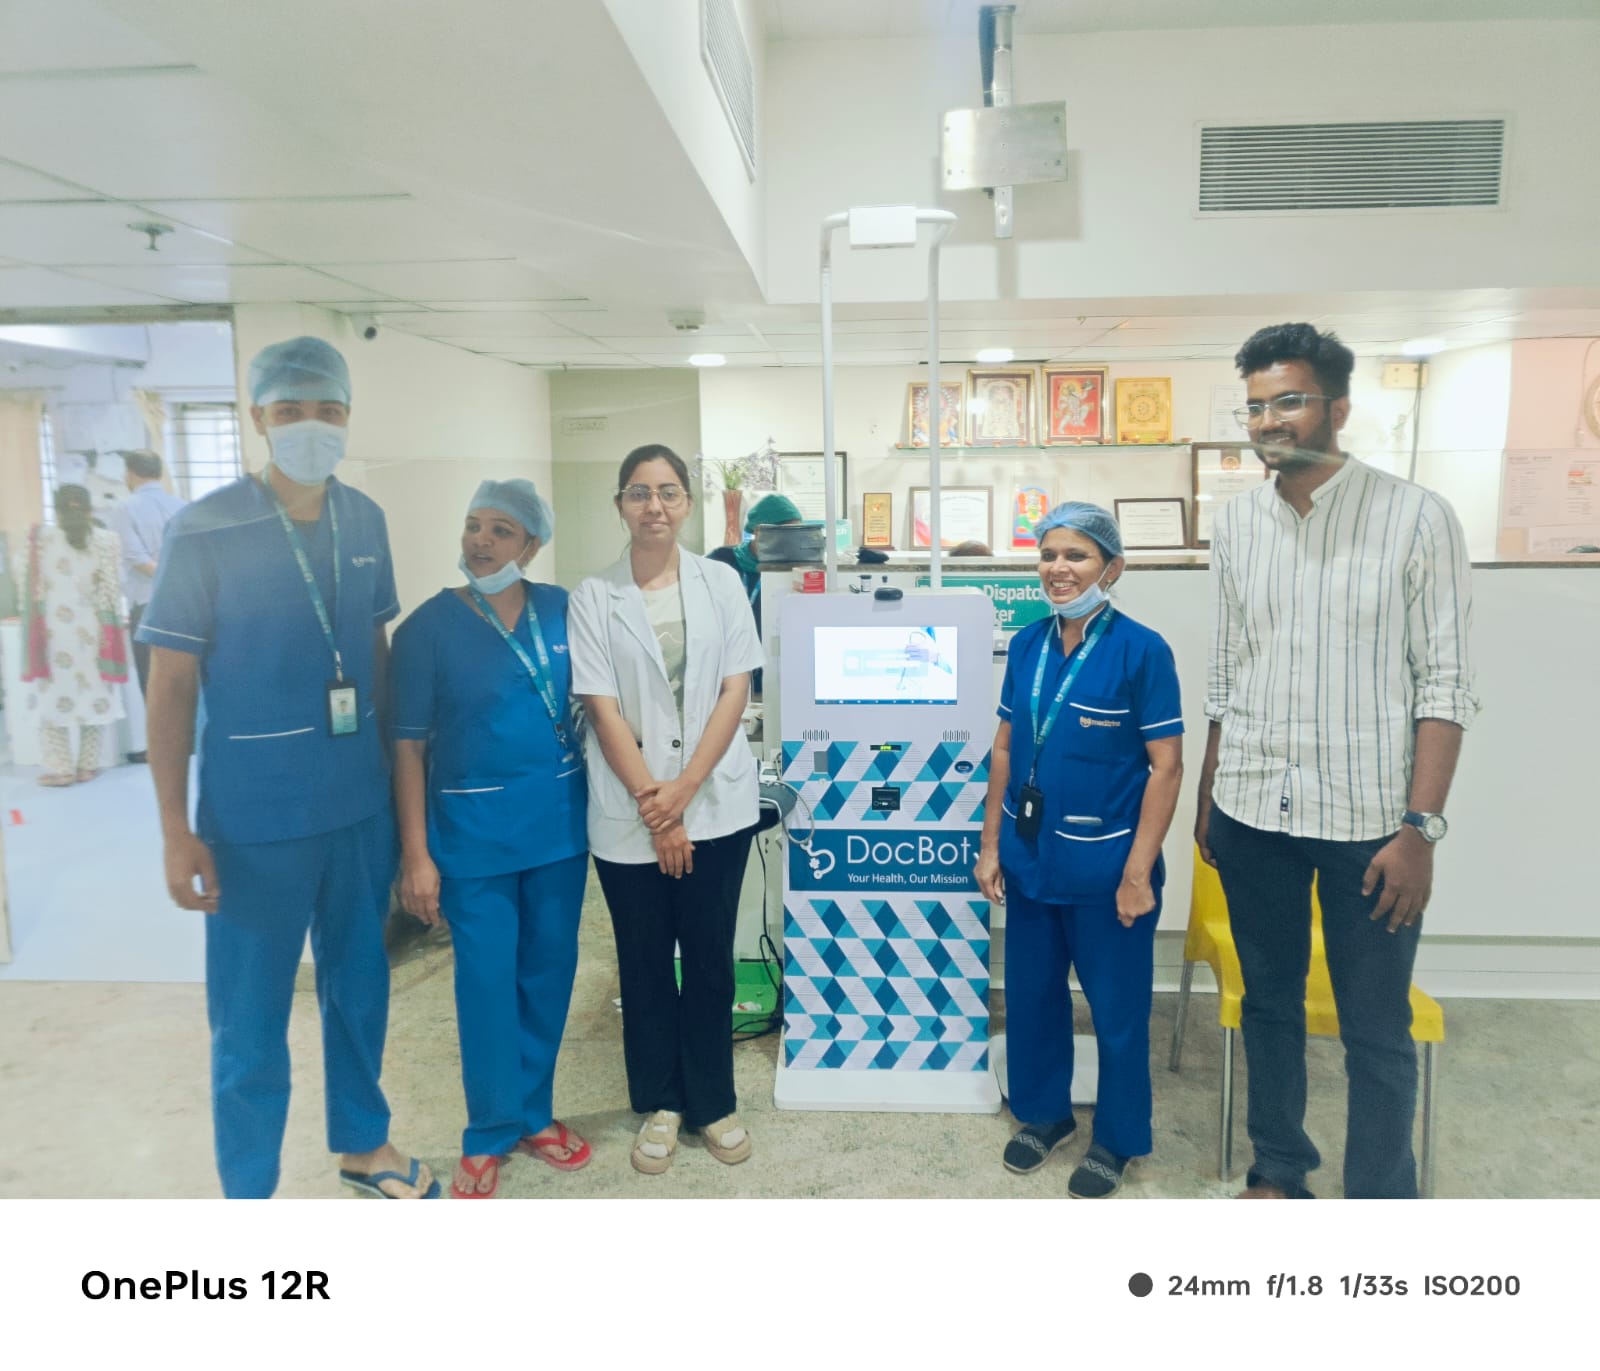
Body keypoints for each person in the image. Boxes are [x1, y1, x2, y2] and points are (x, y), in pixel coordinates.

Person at [137, 335, 436, 1200]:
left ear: (348, 417)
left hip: (356, 812)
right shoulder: (204, 529)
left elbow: (374, 653)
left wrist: (397, 807)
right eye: (292, 409)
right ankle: (249, 1191)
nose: (312, 424)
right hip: (252, 821)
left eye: (328, 409)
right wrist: (174, 829)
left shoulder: (365, 519)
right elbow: (170, 682)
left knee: (361, 988)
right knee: (249, 1015)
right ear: (258, 417)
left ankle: (364, 1143)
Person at [1195, 322, 1479, 1200]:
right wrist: (1209, 798)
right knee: (1268, 1004)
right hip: (1252, 810)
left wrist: (1420, 829)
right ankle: (1279, 1167)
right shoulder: (1237, 524)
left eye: (1288, 400)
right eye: (1254, 406)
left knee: (1376, 1031)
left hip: (1371, 825)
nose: (1268, 420)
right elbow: (1227, 669)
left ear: (1339, 408)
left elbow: (1446, 685)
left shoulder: (1416, 517)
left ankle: (1380, 1200)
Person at [975, 501, 1184, 1199]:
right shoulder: (1027, 646)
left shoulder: (1142, 650)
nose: (1058, 569)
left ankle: (1117, 1138)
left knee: (1117, 1012)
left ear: (1111, 568)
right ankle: (1044, 1113)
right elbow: (1005, 748)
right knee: (1032, 998)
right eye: (1048, 555)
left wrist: (1137, 873)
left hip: (1108, 871)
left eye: (1076, 555)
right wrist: (991, 844)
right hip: (1032, 860)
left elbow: (1166, 767)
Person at [390, 479, 592, 1199]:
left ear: (531, 544)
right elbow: (407, 747)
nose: (481, 540)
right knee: (484, 983)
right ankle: (488, 1129)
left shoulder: (563, 610)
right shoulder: (426, 630)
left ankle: (534, 1113)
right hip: (472, 835)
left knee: (548, 973)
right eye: (474, 524)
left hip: (559, 828)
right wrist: (416, 855)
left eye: (501, 529)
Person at [568, 443, 763, 1175]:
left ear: (687, 502)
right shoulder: (594, 595)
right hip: (631, 813)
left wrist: (683, 793)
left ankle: (713, 1101)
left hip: (713, 804)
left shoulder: (723, 582)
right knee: (645, 962)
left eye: (669, 491)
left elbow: (736, 690)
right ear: (620, 503)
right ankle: (661, 1100)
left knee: (710, 959)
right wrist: (660, 808)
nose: (655, 505)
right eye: (639, 492)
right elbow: (601, 707)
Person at [18, 484, 127, 786]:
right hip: (94, 631)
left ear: (56, 510)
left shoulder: (40, 539)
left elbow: (26, 582)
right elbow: (113, 589)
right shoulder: (107, 541)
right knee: (95, 695)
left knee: (52, 699)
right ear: (90, 509)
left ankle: (61, 769)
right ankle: (87, 767)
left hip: (53, 634)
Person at [107, 450, 187, 759]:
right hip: (184, 603)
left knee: (152, 679)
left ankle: (162, 747)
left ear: (130, 473)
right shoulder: (181, 505)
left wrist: (165, 577)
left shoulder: (125, 508)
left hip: (148, 605)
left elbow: (136, 558)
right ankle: (186, 739)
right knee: (182, 675)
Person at [707, 491, 801, 695]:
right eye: (787, 533)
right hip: (729, 669)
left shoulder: (793, 568)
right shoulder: (721, 562)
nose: (792, 541)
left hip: (775, 669)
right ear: (760, 531)